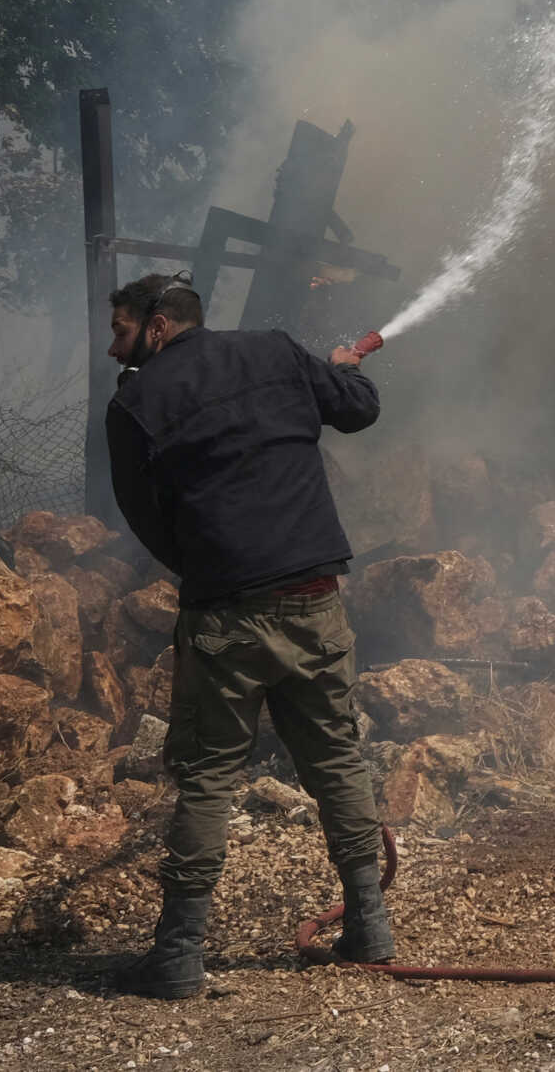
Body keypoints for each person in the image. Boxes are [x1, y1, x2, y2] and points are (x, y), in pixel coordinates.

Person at [101, 270, 394, 998]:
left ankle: (177, 957)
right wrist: (341, 371)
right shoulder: (276, 351)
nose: (113, 348)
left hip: (224, 612)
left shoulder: (133, 403)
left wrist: (210, 565)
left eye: (121, 329)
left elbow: (146, 519)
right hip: (314, 598)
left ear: (159, 325)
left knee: (207, 779)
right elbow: (358, 409)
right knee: (336, 760)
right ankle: (370, 925)